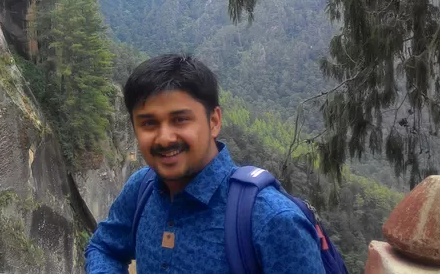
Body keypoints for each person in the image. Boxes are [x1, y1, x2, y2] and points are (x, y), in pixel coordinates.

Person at [85, 54, 326, 273]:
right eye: (149, 123)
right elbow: (104, 247)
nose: (165, 138)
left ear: (214, 121)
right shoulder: (142, 187)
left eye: (180, 119)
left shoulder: (272, 220)